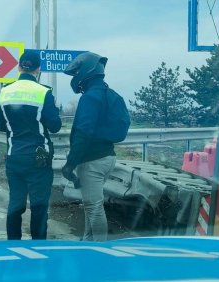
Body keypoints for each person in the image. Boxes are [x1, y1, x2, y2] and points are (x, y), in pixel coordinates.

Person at [0, 50, 62, 240]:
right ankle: (37, 248)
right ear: (38, 69)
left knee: (15, 204)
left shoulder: (4, 91)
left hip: (14, 155)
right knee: (39, 205)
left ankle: (13, 245)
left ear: (18, 67)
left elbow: (1, 125)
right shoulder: (44, 92)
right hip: (39, 158)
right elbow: (55, 126)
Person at [61, 52, 120, 241]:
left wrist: (70, 163)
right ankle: (87, 242)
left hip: (92, 161)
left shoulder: (90, 98)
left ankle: (101, 251)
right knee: (90, 204)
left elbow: (83, 133)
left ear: (85, 72)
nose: (75, 76)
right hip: (108, 158)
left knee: (94, 208)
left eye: (76, 72)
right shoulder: (110, 94)